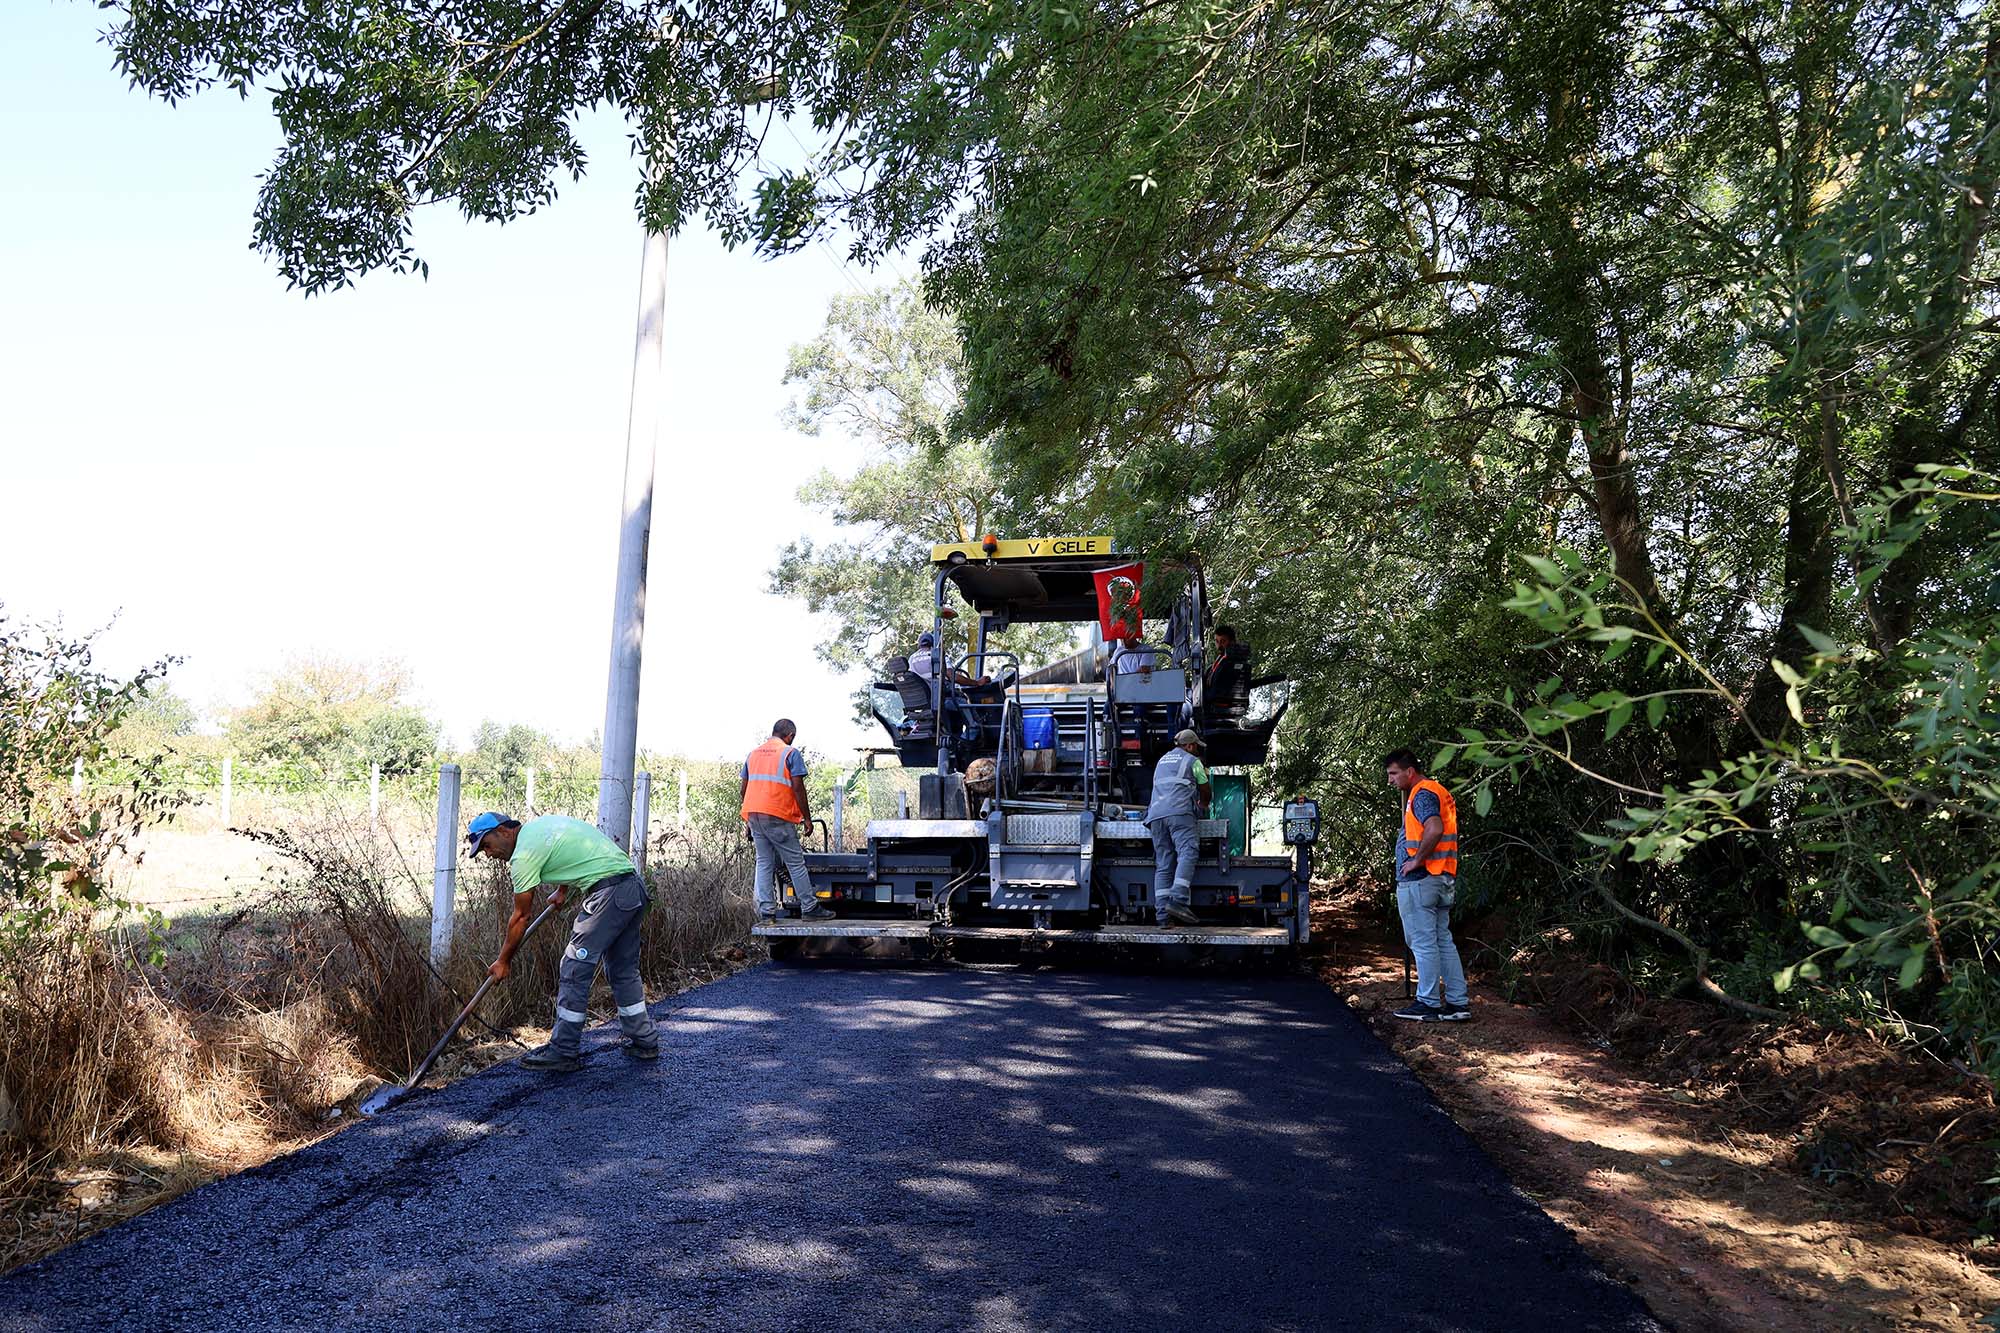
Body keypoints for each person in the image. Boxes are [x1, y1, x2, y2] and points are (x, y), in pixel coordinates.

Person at [469, 810, 659, 1071]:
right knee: (622, 970)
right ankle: (644, 1040)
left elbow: (521, 917)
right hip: (632, 888)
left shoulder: (522, 855)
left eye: (487, 845)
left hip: (609, 895)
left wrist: (503, 961)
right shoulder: (542, 827)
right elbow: (574, 849)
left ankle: (563, 1050)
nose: (488, 854)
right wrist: (562, 889)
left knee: (574, 967)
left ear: (503, 831)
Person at [1384, 748, 1471, 1022]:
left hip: (1422, 881)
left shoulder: (1422, 794)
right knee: (1442, 941)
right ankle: (1457, 1003)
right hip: (1442, 878)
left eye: (1393, 774)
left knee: (1423, 943)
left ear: (1409, 771)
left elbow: (1434, 828)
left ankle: (1428, 1002)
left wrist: (1416, 861)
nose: (1390, 780)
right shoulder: (1437, 791)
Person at [740, 719, 831, 922]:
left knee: (764, 862)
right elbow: (798, 788)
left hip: (754, 814)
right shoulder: (790, 753)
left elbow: (743, 789)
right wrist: (807, 818)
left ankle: (767, 913)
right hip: (777, 815)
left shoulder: (753, 754)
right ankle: (809, 907)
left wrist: (749, 821)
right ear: (790, 736)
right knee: (795, 863)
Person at [1145, 729, 1212, 927]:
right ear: (1190, 746)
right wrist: (1204, 804)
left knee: (1164, 864)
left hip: (1155, 816)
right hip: (1179, 814)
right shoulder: (1193, 761)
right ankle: (1178, 900)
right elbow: (1205, 788)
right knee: (1188, 852)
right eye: (1196, 746)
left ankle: (1162, 917)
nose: (1197, 750)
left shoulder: (1162, 761)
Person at [1204, 624, 1252, 716]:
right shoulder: (1219, 663)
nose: (1219, 645)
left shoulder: (1229, 664)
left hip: (1218, 706)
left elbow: (1218, 691)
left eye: (1223, 641)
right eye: (1217, 641)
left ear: (1232, 642)